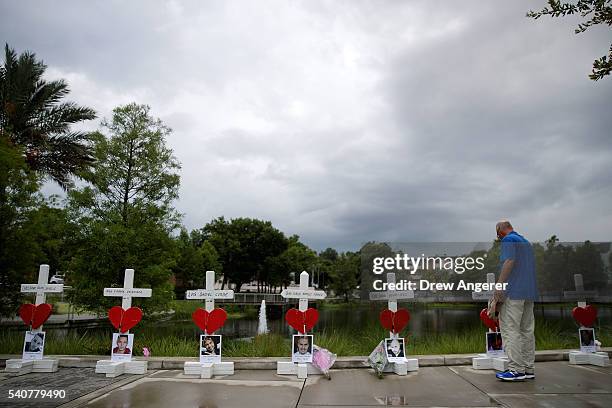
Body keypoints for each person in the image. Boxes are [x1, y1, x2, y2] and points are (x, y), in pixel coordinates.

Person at [493, 220, 538, 381]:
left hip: (514, 291)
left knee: (510, 329)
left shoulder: (508, 240)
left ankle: (516, 370)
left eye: (497, 235)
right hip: (529, 291)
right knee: (527, 330)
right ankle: (528, 368)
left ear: (500, 231)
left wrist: (499, 286)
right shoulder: (526, 243)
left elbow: (509, 261)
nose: (498, 238)